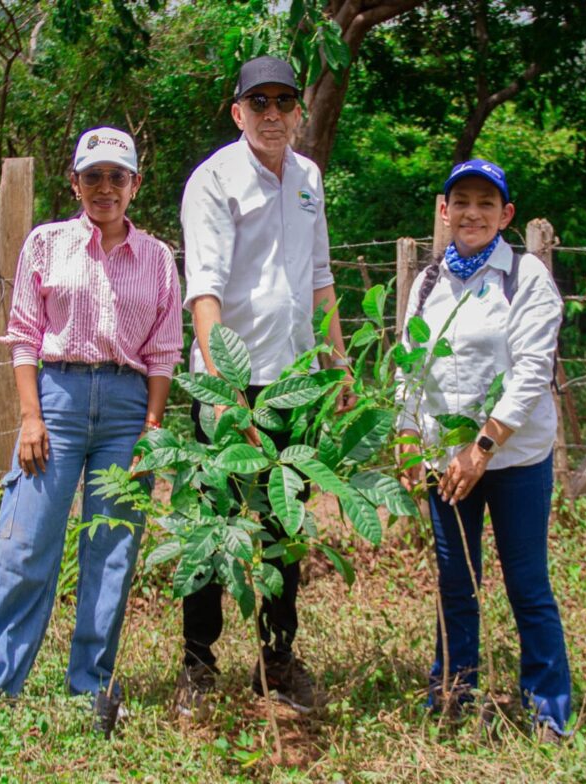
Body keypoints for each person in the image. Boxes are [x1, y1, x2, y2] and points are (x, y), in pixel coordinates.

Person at [0, 127, 183, 737]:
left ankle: (91, 688)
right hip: (56, 398)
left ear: (135, 185)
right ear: (75, 183)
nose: (106, 188)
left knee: (112, 551)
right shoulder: (46, 244)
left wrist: (153, 428)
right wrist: (30, 416)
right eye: (94, 176)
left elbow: (163, 352)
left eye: (118, 177)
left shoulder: (156, 257)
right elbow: (24, 333)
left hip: (129, 408)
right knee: (25, 546)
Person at [176, 55, 354, 715]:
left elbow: (319, 276)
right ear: (238, 112)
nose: (273, 114)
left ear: (298, 111)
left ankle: (276, 660)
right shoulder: (214, 182)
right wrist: (227, 399)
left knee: (284, 524)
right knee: (214, 525)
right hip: (230, 385)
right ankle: (198, 666)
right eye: (260, 103)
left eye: (284, 101)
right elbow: (205, 295)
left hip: (294, 383)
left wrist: (337, 363)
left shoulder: (308, 178)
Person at [395, 159, 572, 741]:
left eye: (486, 203)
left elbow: (530, 372)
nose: (472, 213)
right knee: (454, 580)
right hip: (445, 459)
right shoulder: (428, 283)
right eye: (461, 201)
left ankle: (547, 706)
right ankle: (452, 691)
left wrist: (484, 446)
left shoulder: (525, 278)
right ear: (444, 210)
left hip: (514, 459)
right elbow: (408, 368)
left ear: (506, 215)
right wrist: (404, 434)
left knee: (526, 583)